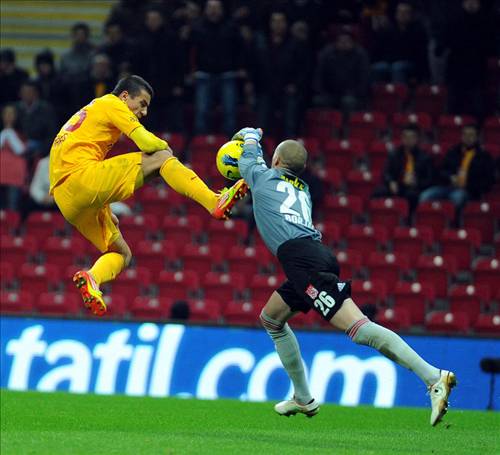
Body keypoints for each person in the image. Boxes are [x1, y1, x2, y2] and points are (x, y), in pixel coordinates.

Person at [236, 127, 456, 426]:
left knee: (360, 330)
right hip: (311, 255)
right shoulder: (302, 188)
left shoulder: (263, 178)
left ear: (275, 160)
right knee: (272, 319)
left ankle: (433, 378)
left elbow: (248, 161)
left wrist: (250, 136)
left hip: (303, 261)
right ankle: (303, 398)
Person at [49, 75, 248, 317]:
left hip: (65, 200)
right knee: (162, 157)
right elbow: (144, 141)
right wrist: (164, 147)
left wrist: (105, 208)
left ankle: (92, 278)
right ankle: (214, 202)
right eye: (141, 104)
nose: (143, 112)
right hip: (81, 178)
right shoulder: (110, 103)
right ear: (124, 96)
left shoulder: (88, 113)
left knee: (122, 254)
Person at [419, 124, 495, 219]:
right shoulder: (453, 152)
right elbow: (441, 171)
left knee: (457, 197)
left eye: (471, 135)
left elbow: (488, 181)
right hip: (448, 186)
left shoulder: (484, 157)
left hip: (469, 190)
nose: (468, 138)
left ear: (477, 137)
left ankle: (454, 223)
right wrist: (451, 177)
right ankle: (428, 221)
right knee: (425, 196)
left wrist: (467, 183)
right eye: (465, 135)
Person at [372, 124, 433, 220]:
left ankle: (408, 221)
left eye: (411, 137)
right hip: (398, 185)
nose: (408, 140)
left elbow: (429, 180)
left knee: (412, 196)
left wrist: (416, 182)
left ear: (417, 139)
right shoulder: (395, 154)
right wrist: (391, 182)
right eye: (405, 137)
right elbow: (386, 172)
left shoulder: (425, 157)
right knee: (378, 192)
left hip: (414, 188)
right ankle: (379, 218)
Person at [315, 30, 370, 115]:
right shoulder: (327, 54)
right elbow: (319, 76)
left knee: (348, 101)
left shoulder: (360, 55)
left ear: (353, 43)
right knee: (319, 100)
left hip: (352, 93)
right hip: (331, 92)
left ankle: (348, 126)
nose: (344, 44)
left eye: (347, 41)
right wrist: (322, 91)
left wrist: (354, 93)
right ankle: (327, 126)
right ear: (336, 43)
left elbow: (364, 79)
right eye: (341, 41)